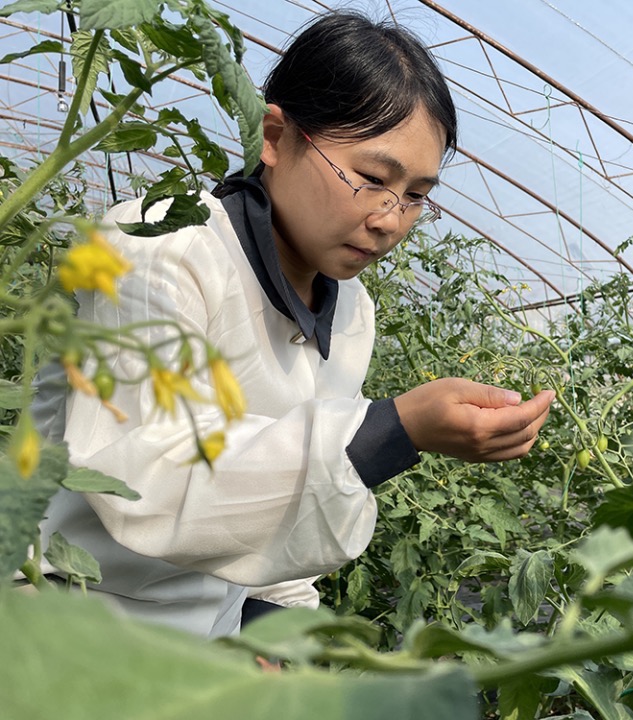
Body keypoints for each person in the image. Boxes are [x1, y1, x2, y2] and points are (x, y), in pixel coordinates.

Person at [33, 10, 554, 637]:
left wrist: (274, 627)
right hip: (67, 614)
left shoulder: (352, 309)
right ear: (275, 138)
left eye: (415, 196)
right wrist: (395, 430)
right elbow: (144, 477)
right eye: (370, 179)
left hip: (213, 634)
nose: (390, 220)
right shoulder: (156, 246)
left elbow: (276, 509)